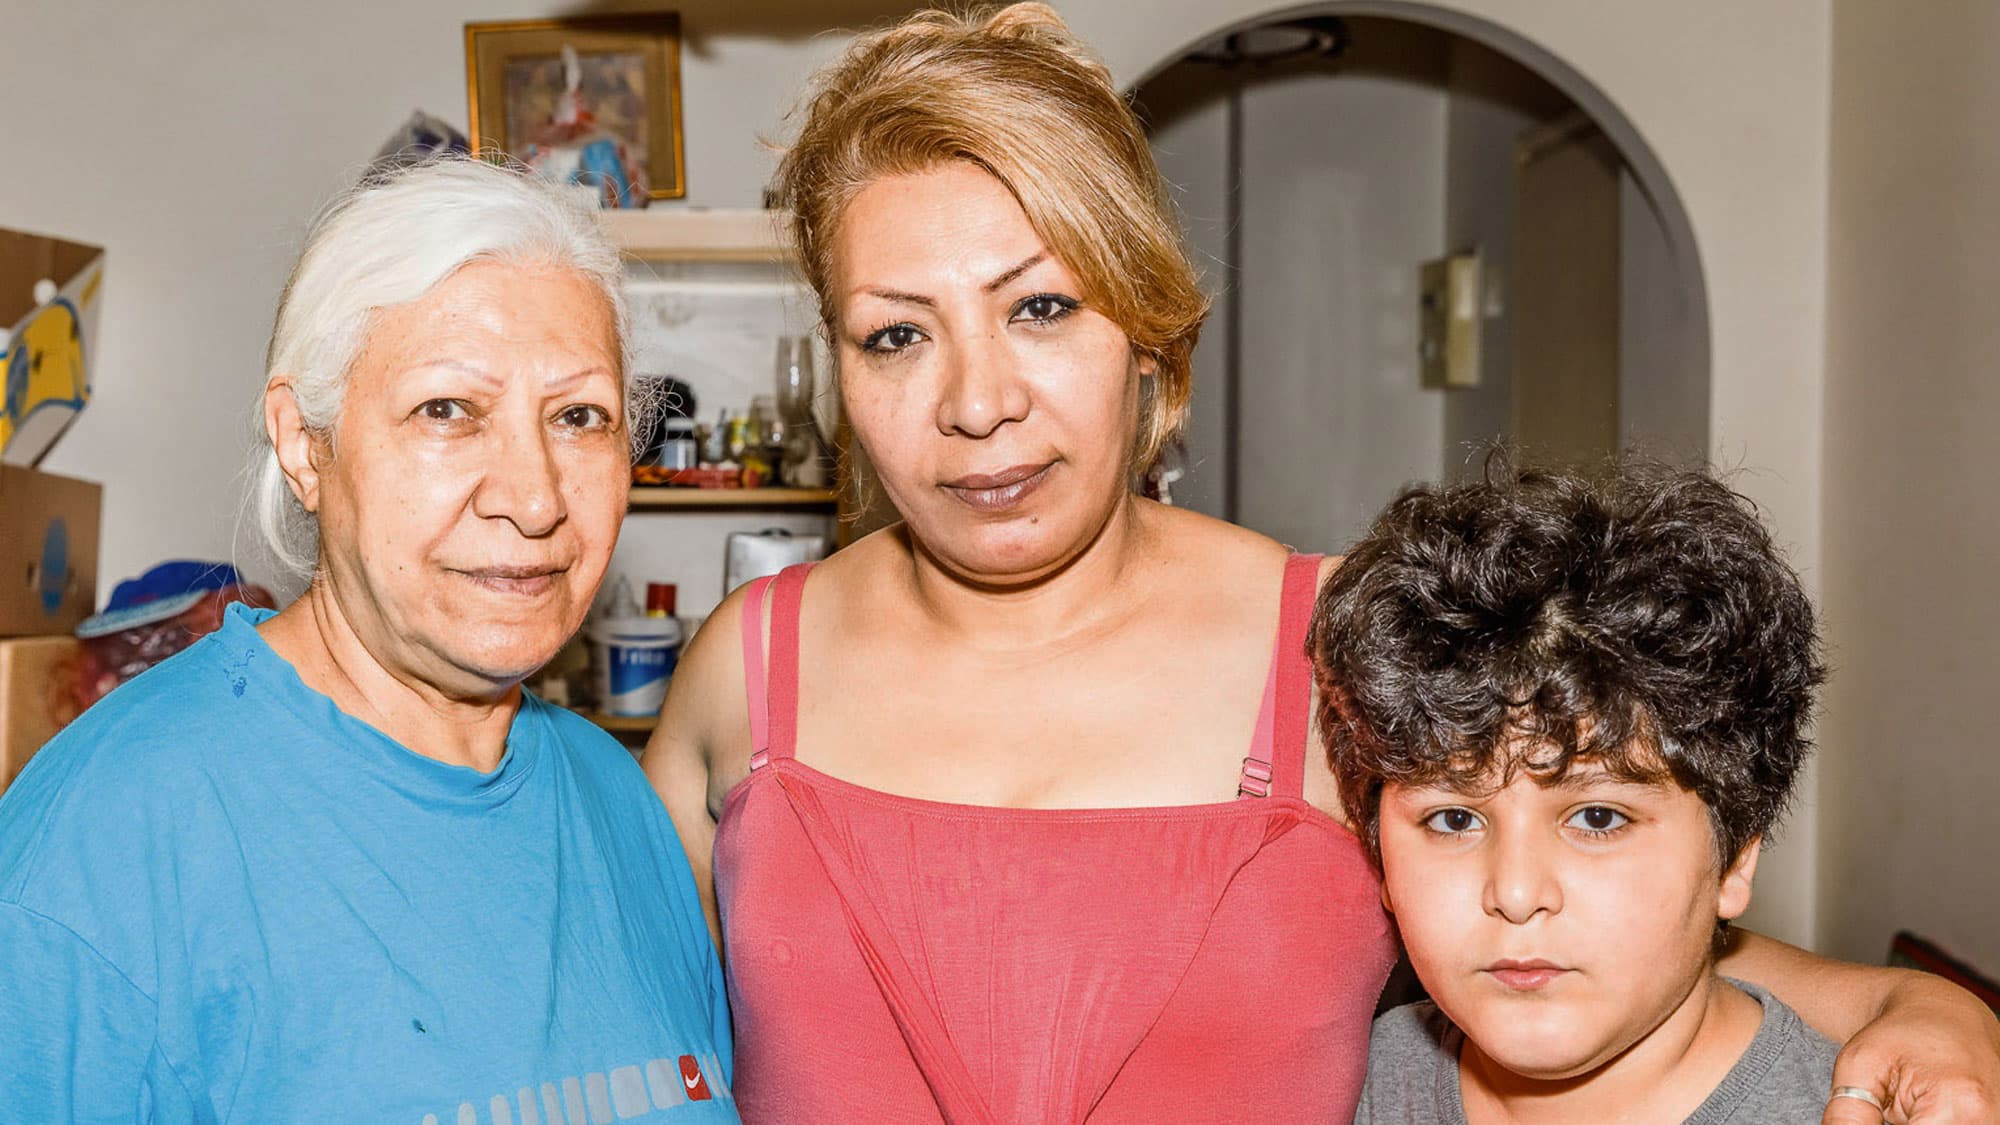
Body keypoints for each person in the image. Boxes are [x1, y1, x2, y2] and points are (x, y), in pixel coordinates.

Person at [644, 5, 2000, 1122]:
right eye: (896, 335)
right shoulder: (743, 670)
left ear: (1148, 329)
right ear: (835, 364)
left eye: (1042, 306)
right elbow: (615, 1021)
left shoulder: (1337, 646)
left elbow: (1605, 906)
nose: (976, 401)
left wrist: (1914, 1006)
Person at [0, 159, 737, 1122]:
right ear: (306, 445)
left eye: (579, 417)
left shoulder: (618, 800)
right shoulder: (106, 844)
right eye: (448, 411)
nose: (535, 495)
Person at [1316, 463, 1845, 1123]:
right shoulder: (1338, 1086)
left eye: (1597, 816)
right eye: (1453, 818)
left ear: (1736, 856)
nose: (1514, 892)